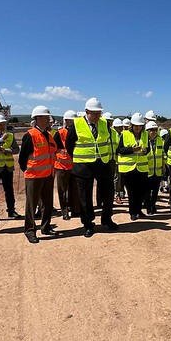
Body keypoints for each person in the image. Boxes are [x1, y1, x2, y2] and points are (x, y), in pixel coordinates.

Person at [66, 97, 118, 237]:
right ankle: (88, 224)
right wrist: (78, 159)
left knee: (108, 193)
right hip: (83, 165)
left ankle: (107, 218)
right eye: (94, 113)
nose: (97, 116)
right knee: (85, 197)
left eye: (99, 113)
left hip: (102, 163)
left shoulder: (104, 124)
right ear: (86, 111)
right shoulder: (75, 125)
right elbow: (69, 145)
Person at [18, 105, 59, 244]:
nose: (49, 119)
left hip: (48, 175)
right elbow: (22, 159)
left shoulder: (48, 135)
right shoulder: (30, 135)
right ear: (38, 118)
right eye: (47, 117)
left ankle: (46, 227)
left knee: (47, 204)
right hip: (34, 177)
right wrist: (30, 171)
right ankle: (30, 230)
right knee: (31, 205)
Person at [0, 113, 22, 223]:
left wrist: (7, 151)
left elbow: (16, 150)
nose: (2, 126)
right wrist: (1, 140)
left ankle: (11, 211)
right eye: (0, 124)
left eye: (3, 124)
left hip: (8, 167)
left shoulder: (10, 136)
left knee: (9, 190)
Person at [116, 113, 150, 220]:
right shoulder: (125, 134)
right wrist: (131, 150)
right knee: (132, 192)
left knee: (141, 192)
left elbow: (148, 149)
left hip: (141, 168)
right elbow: (119, 150)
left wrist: (145, 150)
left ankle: (138, 210)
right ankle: (133, 212)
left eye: (140, 126)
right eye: (136, 126)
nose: (138, 128)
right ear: (132, 125)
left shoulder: (145, 135)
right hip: (128, 168)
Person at [53, 110, 80, 220]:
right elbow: (53, 148)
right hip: (62, 166)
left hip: (75, 166)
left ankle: (75, 210)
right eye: (69, 120)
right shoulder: (60, 133)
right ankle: (64, 211)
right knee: (62, 190)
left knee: (74, 189)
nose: (71, 122)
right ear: (66, 121)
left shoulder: (79, 132)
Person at [145, 121, 165, 214]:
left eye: (155, 130)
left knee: (155, 191)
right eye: (151, 130)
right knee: (147, 191)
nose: (153, 132)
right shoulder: (144, 140)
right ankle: (148, 206)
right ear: (147, 131)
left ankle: (153, 205)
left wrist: (163, 166)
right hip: (147, 170)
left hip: (157, 170)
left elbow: (162, 154)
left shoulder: (160, 140)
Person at [111, 117, 125, 203]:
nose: (121, 128)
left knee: (121, 179)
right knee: (116, 179)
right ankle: (116, 195)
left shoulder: (122, 135)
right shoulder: (113, 134)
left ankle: (120, 193)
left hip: (122, 161)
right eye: (119, 127)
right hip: (115, 160)